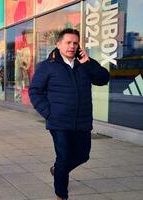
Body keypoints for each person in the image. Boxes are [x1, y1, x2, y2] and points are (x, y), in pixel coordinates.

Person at [29, 28, 109, 200]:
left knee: (82, 155)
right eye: (68, 42)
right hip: (59, 122)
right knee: (64, 158)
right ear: (58, 44)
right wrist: (49, 113)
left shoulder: (85, 64)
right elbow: (35, 91)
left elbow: (103, 79)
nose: (72, 46)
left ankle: (57, 170)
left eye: (75, 43)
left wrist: (89, 63)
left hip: (82, 121)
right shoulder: (47, 67)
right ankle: (61, 195)